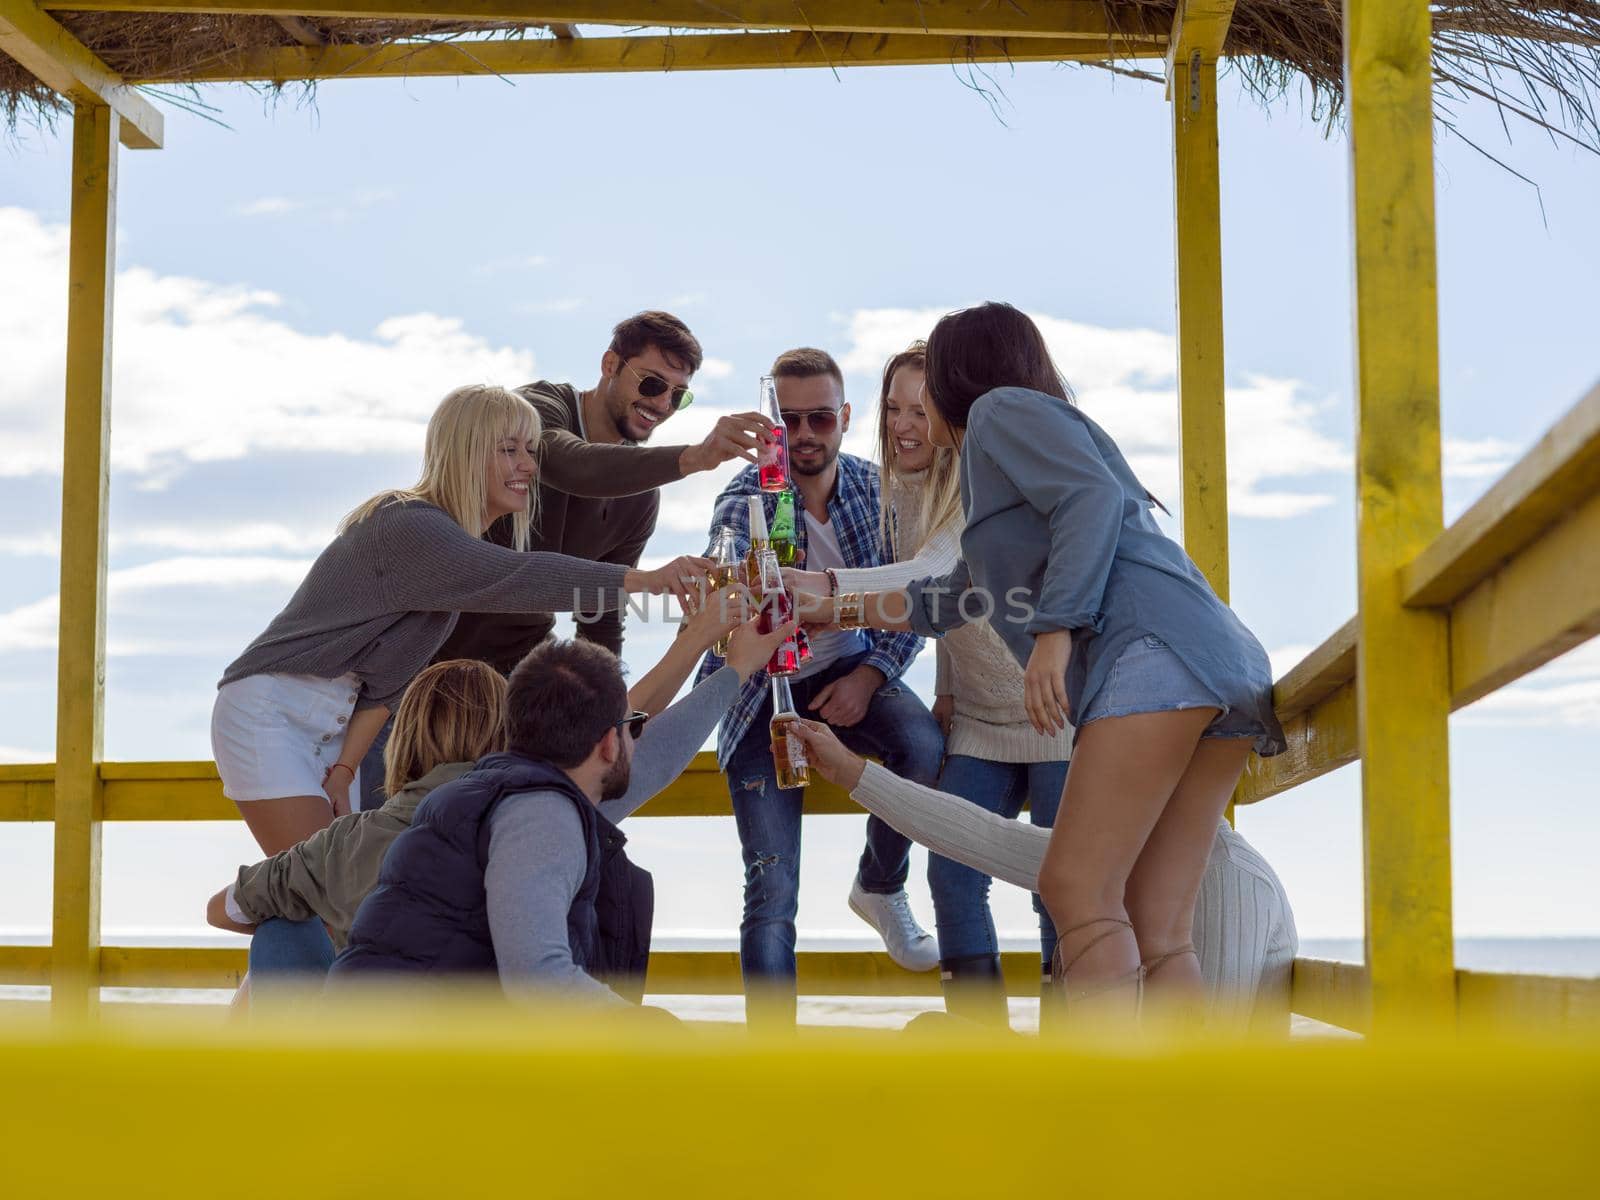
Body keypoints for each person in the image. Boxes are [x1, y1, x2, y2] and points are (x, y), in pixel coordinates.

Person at [799, 303, 1286, 1025]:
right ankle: (1184, 1108)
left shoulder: (999, 412)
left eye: (927, 382)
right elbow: (948, 598)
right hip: (1219, 665)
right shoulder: (1015, 465)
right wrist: (829, 604)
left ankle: (1105, 1105)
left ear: (953, 377)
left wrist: (1056, 632)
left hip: (1155, 655)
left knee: (1076, 888)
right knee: (1157, 925)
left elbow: (1086, 501)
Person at [211, 383, 707, 857]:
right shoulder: (411, 524)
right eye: (510, 450)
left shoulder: (448, 563)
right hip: (269, 709)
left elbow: (384, 689)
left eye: (531, 451)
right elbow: (519, 576)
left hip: (335, 722)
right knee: (318, 891)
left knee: (346, 894)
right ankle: (238, 905)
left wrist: (343, 770)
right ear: (468, 452)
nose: (528, 466)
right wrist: (646, 580)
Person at [347, 313, 768, 813]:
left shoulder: (638, 499)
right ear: (610, 364)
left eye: (677, 396)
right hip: (417, 683)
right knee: (379, 854)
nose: (661, 404)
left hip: (509, 697)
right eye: (653, 383)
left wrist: (615, 718)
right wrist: (695, 458)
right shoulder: (533, 413)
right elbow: (568, 462)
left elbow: (600, 616)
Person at [785, 342, 1072, 1025]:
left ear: (951, 418)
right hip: (978, 718)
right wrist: (944, 688)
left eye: (922, 410)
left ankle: (1076, 1038)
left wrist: (825, 591)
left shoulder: (980, 485)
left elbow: (936, 577)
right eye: (892, 409)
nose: (904, 425)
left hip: (1057, 716)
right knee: (951, 872)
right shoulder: (896, 492)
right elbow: (963, 611)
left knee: (1060, 886)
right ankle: (979, 1043)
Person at [330, 615, 798, 1008]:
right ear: (610, 744)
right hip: (406, 1077)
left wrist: (735, 670)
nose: (638, 737)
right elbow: (539, 982)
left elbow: (657, 758)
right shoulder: (540, 816)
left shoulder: (511, 792)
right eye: (632, 727)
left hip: (389, 1051)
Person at [696, 346, 944, 1027]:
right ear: (773, 424)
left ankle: (881, 884)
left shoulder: (874, 490)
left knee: (924, 746)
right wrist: (747, 560)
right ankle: (775, 1059)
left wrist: (868, 676)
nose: (806, 436)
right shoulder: (747, 497)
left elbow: (914, 600)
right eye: (791, 421)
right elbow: (730, 587)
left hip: (846, 671)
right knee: (771, 887)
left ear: (845, 418)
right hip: (757, 698)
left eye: (821, 420)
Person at [787, 719, 1297, 1032]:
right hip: (1107, 1089)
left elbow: (1206, 1081)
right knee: (935, 1036)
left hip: (1165, 1129)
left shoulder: (1228, 877)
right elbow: (981, 837)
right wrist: (851, 771)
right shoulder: (1135, 847)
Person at [204, 658, 508, 977]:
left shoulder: (346, 841)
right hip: (500, 1020)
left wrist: (334, 911)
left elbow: (222, 910)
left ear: (404, 739)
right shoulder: (536, 823)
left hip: (372, 1016)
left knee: (283, 926)